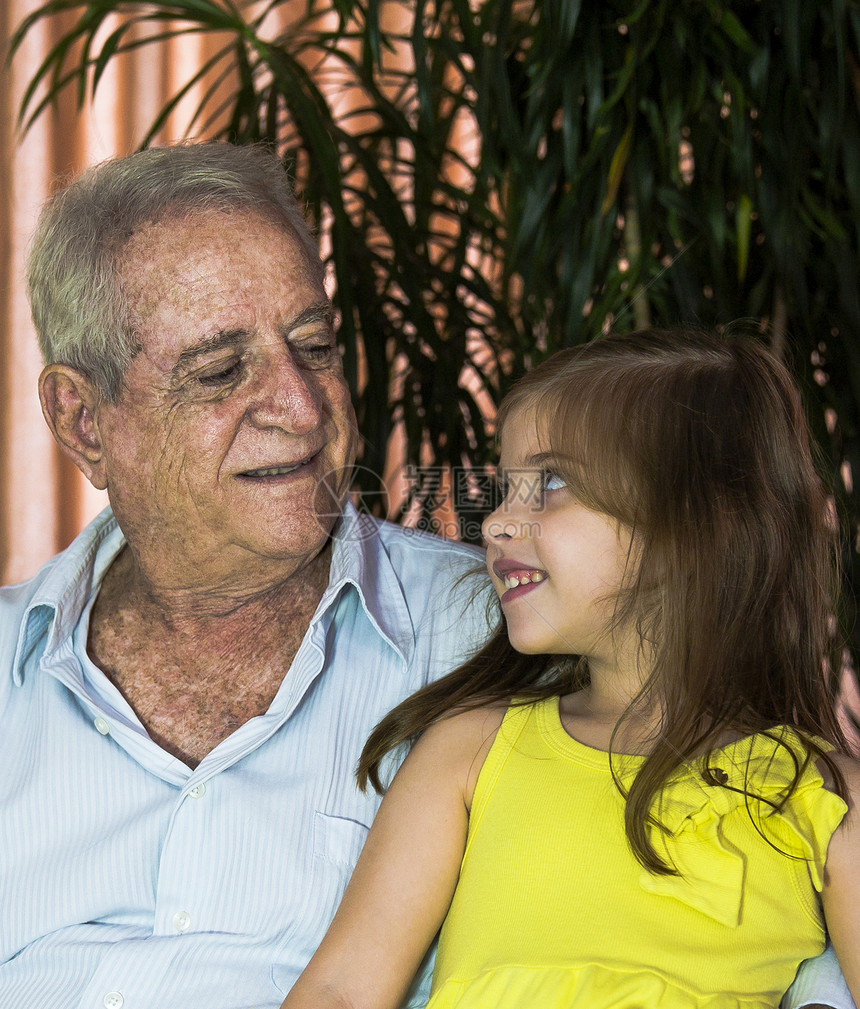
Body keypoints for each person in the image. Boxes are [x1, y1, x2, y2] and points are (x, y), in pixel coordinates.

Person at [0, 142, 492, 1008]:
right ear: (83, 421)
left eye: (316, 346)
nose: (302, 408)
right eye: (221, 371)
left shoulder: (495, 638)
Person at [280, 328, 860, 1009]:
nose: (495, 523)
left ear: (696, 526)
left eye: (549, 484)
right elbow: (344, 989)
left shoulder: (825, 795)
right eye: (505, 488)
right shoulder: (471, 749)